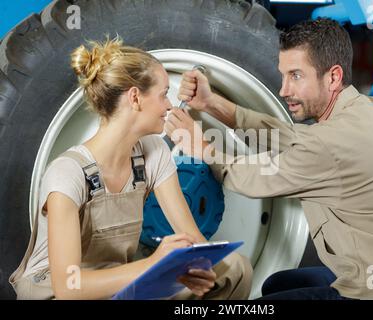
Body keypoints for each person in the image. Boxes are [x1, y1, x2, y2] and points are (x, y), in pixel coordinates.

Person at [164, 18, 373, 300]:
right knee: (276, 283)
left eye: (296, 76)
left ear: (333, 77)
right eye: (284, 75)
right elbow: (289, 138)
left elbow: (248, 177)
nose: (283, 90)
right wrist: (211, 103)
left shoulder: (326, 145)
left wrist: (199, 146)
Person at [9, 37, 252, 300]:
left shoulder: (154, 153)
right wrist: (154, 264)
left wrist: (196, 268)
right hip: (61, 292)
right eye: (163, 95)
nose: (169, 105)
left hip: (123, 281)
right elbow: (68, 287)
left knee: (235, 269)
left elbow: (193, 238)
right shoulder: (67, 173)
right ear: (135, 97)